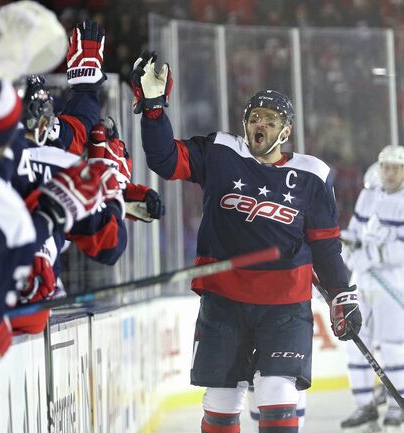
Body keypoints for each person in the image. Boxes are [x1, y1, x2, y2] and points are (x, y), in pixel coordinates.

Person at [131, 50, 362, 433]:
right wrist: (154, 110)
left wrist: (342, 292)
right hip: (225, 302)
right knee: (220, 401)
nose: (261, 125)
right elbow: (165, 159)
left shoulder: (313, 175)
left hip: (284, 307)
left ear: (285, 131)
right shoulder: (221, 153)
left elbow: (325, 245)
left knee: (275, 393)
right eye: (255, 118)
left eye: (271, 121)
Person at [340, 144, 404, 432]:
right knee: (355, 342)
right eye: (385, 167)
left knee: (392, 347)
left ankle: (395, 405)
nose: (389, 173)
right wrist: (344, 245)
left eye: (395, 168)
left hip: (393, 283)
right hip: (363, 280)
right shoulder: (368, 195)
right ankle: (364, 404)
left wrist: (368, 256)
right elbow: (355, 231)